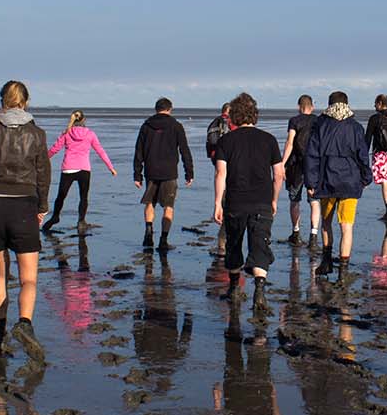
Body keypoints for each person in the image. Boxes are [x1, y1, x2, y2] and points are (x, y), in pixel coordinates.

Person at [0, 80, 50, 364]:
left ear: (3, 101)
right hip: (24, 205)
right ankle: (25, 324)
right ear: (26, 102)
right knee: (28, 278)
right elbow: (43, 174)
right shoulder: (37, 134)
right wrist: (42, 206)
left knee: (0, 275)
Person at [212, 92, 284, 306]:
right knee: (260, 245)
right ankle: (259, 290)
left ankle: (234, 289)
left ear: (234, 116)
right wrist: (274, 199)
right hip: (262, 200)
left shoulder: (226, 140)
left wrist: (217, 202)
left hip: (235, 201)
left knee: (234, 244)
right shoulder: (269, 139)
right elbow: (279, 174)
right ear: (254, 115)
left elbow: (220, 174)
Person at [302, 91, 371, 276]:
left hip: (326, 181)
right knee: (346, 226)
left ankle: (326, 261)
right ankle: (344, 269)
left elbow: (312, 155)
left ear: (329, 104)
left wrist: (310, 182)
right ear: (347, 104)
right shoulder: (355, 127)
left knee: (326, 223)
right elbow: (362, 155)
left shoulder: (321, 125)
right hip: (350, 181)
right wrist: (366, 177)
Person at [133, 97, 195, 252]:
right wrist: (189, 172)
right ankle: (163, 240)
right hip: (169, 172)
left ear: (156, 109)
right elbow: (184, 150)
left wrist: (137, 174)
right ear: (170, 109)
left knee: (150, 203)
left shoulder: (146, 126)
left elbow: (138, 151)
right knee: (168, 206)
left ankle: (148, 233)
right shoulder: (176, 126)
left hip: (151, 171)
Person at [43, 110, 117, 234]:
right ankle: (81, 221)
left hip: (68, 168)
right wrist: (111, 167)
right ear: (84, 120)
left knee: (61, 196)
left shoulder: (66, 133)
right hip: (84, 169)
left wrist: (41, 161)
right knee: (83, 197)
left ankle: (55, 217)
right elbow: (100, 151)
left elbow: (54, 149)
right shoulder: (90, 134)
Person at [282, 94, 318, 246]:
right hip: (314, 164)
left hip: (296, 164)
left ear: (299, 107)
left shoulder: (294, 121)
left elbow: (290, 142)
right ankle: (314, 236)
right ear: (312, 107)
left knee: (295, 199)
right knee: (314, 201)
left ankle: (296, 232)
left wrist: (282, 163)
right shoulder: (319, 121)